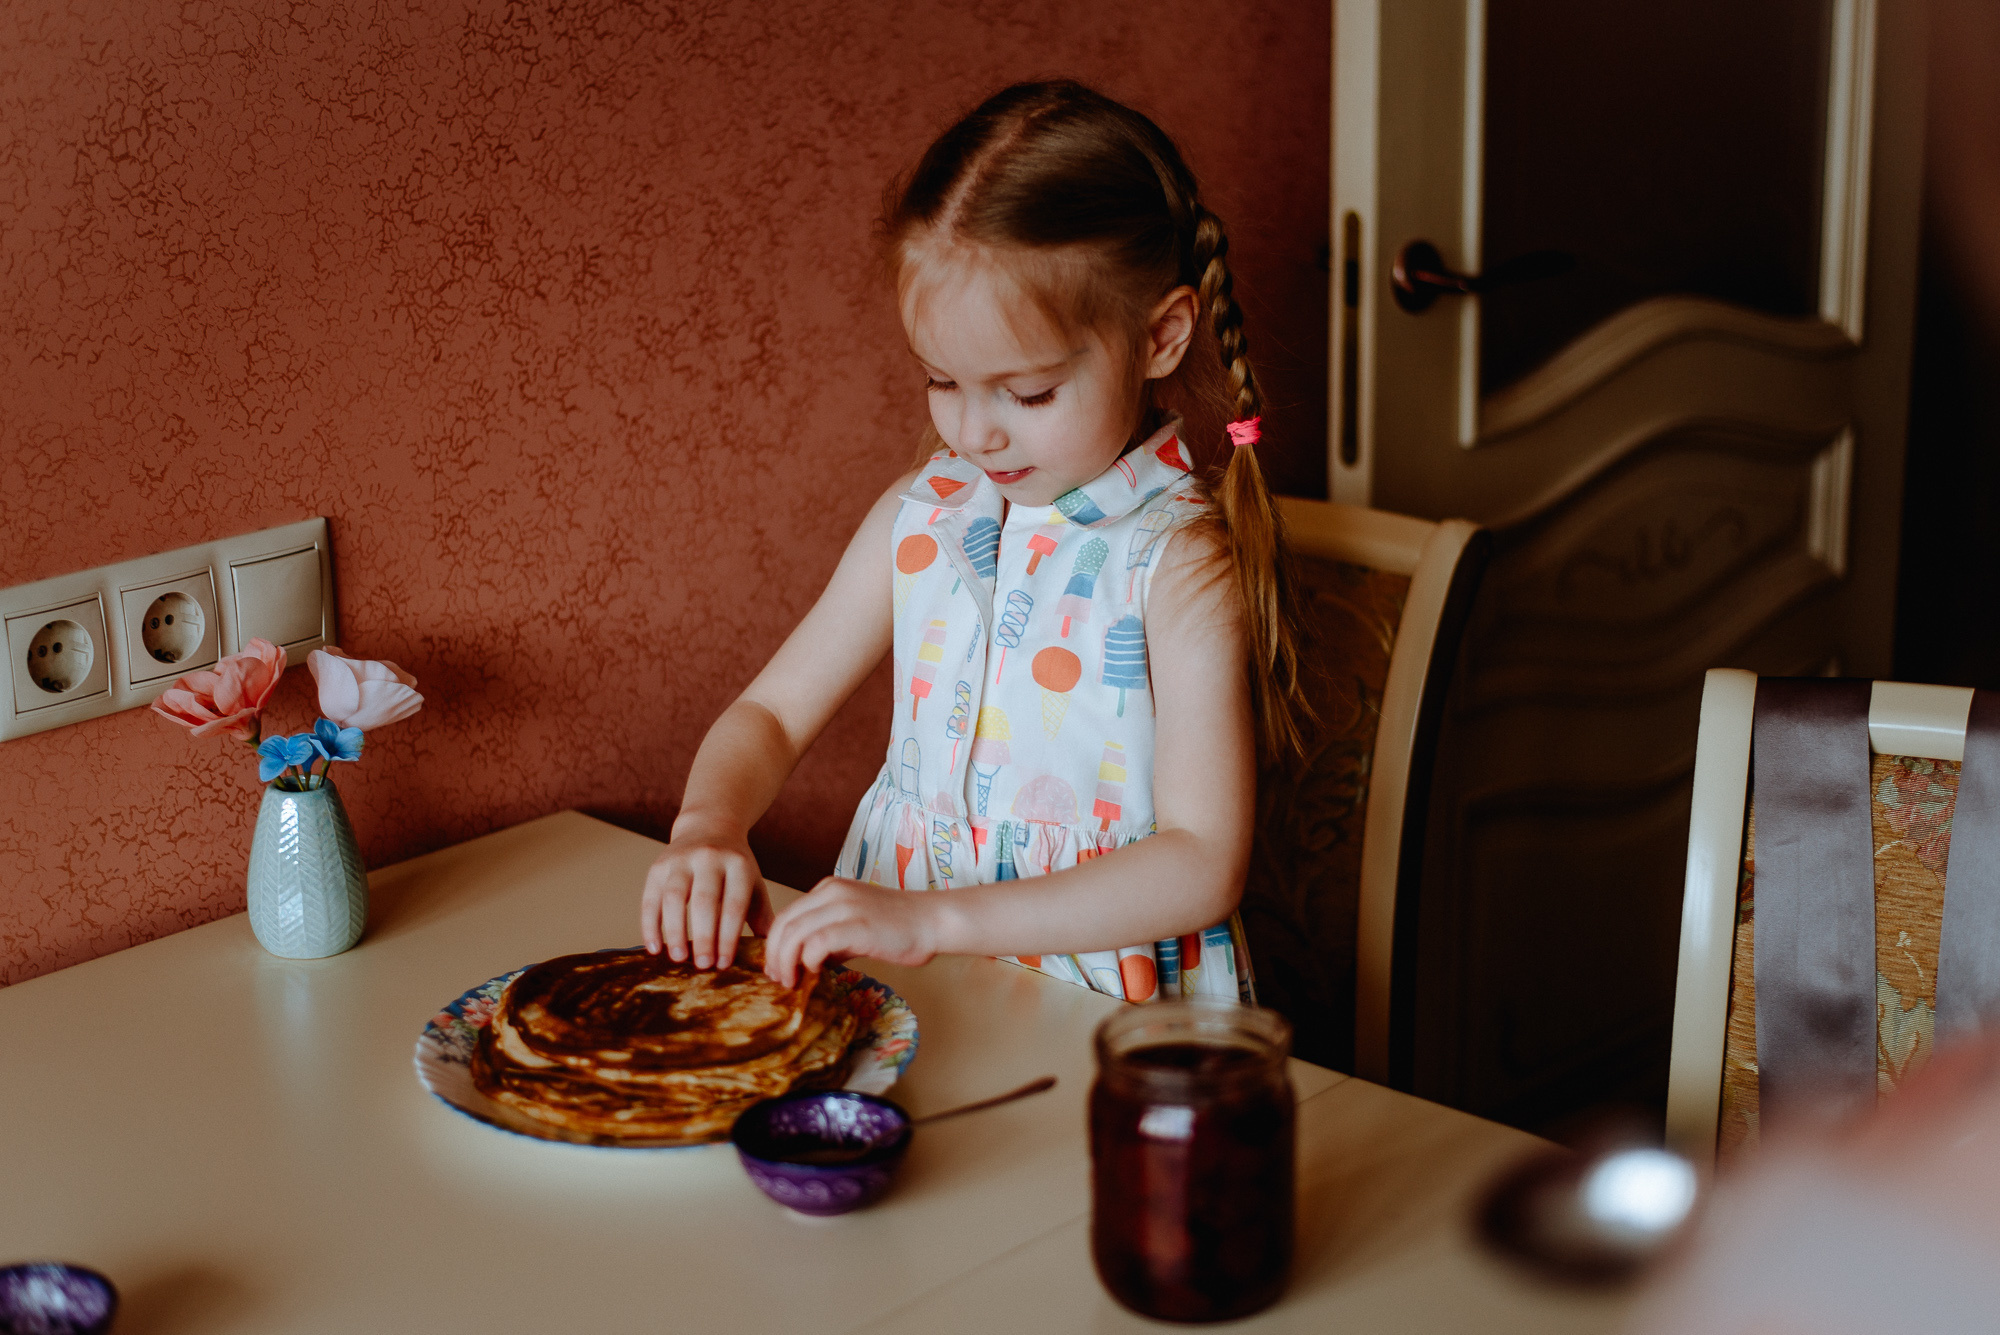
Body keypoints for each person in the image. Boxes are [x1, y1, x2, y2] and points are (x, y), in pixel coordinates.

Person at [638, 80, 1309, 1000]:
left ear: (1160, 336)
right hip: (918, 989)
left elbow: (1201, 861)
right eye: (940, 380)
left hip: (1099, 1015)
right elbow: (771, 716)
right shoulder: (921, 518)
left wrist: (933, 920)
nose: (975, 432)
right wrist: (707, 826)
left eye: (1026, 393)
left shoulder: (1176, 560)